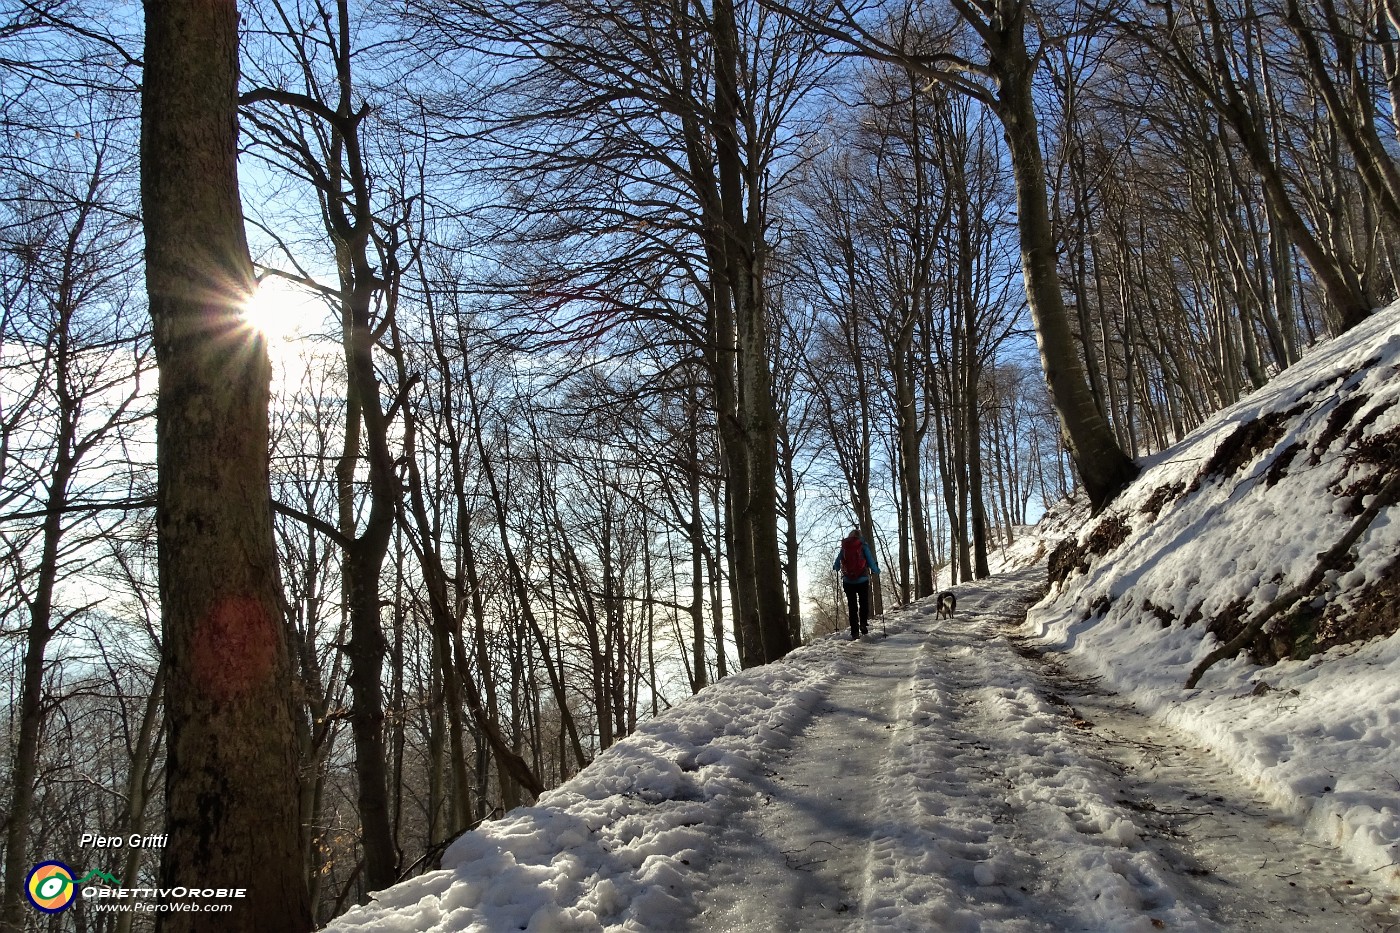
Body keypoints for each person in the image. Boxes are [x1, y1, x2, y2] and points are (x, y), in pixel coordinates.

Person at [834, 527, 879, 640]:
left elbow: (837, 563)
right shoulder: (863, 546)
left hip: (848, 581)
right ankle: (863, 623)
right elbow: (870, 561)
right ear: (860, 536)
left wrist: (836, 567)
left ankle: (854, 632)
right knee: (864, 603)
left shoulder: (845, 547)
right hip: (862, 579)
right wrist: (875, 570)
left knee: (852, 606)